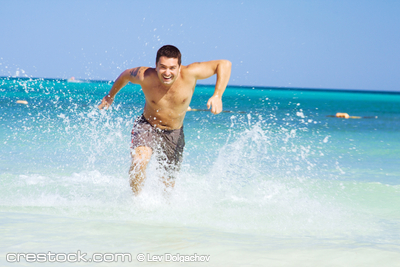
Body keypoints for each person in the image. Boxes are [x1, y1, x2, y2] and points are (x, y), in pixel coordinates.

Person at [98, 45, 231, 196]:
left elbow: (224, 64)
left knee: (167, 185)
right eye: (163, 67)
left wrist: (217, 95)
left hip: (174, 132)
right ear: (156, 66)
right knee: (139, 162)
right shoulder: (144, 75)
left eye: (172, 68)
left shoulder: (190, 73)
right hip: (148, 124)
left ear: (179, 67)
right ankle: (136, 201)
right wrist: (110, 96)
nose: (167, 73)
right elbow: (125, 75)